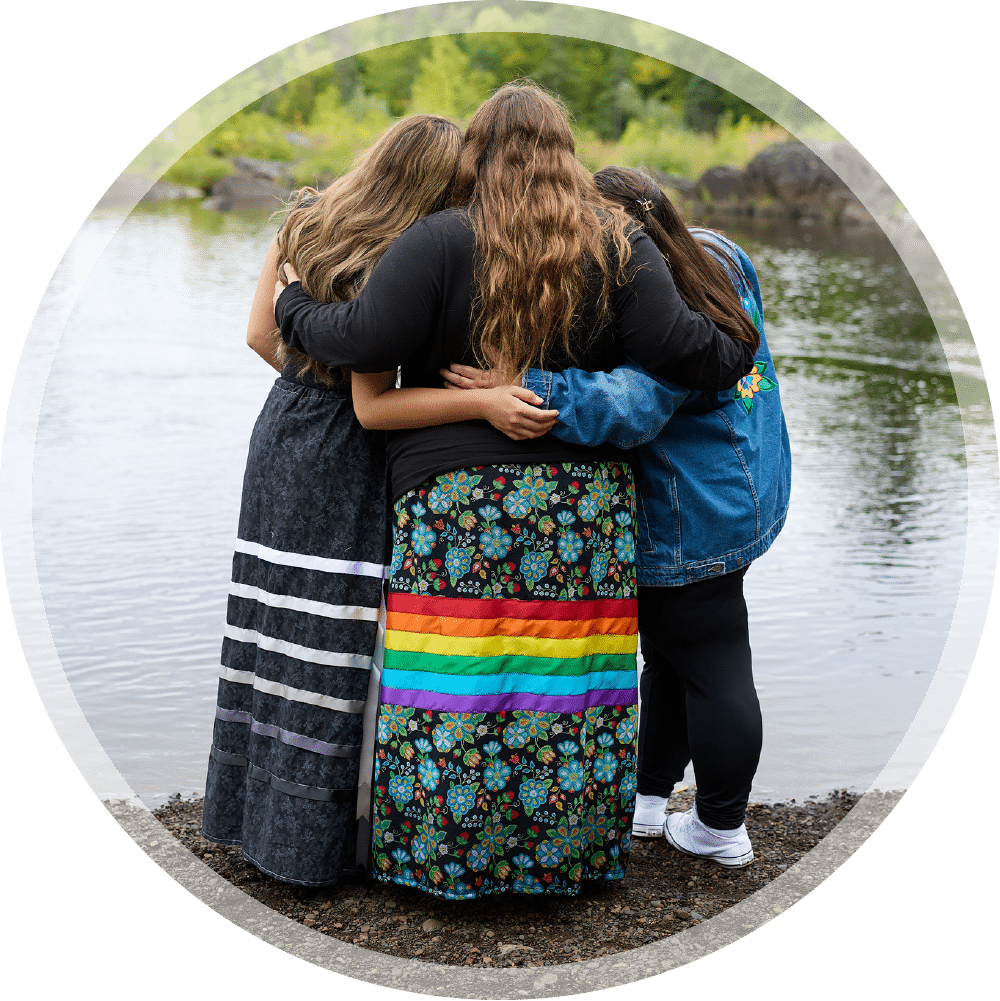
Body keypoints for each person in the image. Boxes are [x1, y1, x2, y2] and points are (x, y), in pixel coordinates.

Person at [272, 84, 758, 899]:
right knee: (566, 689)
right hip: (582, 511)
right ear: (566, 152)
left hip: (456, 502)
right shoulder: (619, 244)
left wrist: (292, 301)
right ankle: (565, 858)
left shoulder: (438, 240)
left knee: (454, 686)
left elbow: (360, 338)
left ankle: (446, 857)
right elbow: (698, 354)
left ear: (480, 154)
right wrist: (736, 328)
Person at [446, 166, 791, 868]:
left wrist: (526, 384)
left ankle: (722, 827)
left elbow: (631, 407)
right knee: (673, 655)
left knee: (713, 660)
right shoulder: (716, 252)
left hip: (690, 509)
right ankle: (646, 798)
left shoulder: (662, 313)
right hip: (747, 487)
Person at [200, 115, 465, 887]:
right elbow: (371, 395)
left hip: (283, 431)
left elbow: (259, 335)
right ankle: (316, 844)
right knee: (337, 638)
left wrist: (307, 380)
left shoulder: (306, 220)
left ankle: (251, 820)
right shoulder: (403, 254)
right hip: (351, 448)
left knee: (273, 622)